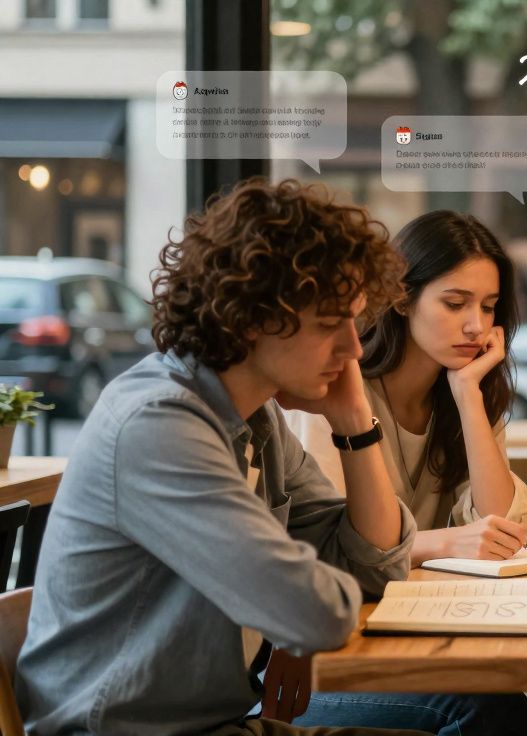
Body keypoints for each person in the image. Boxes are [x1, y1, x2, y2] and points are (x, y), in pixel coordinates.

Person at [15, 178, 428, 736]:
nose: (355, 349)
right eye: (332, 324)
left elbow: (373, 569)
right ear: (252, 317)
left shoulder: (255, 419)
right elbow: (316, 613)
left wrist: (355, 424)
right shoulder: (158, 426)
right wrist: (293, 602)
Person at [280, 210, 527, 733]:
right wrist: (444, 543)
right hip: (324, 661)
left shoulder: (469, 394)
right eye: (454, 303)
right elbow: (334, 546)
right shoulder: (339, 392)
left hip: (415, 639)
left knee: (502, 699)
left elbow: (501, 524)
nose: (476, 326)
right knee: (495, 709)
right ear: (400, 297)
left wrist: (468, 395)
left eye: (488, 308)